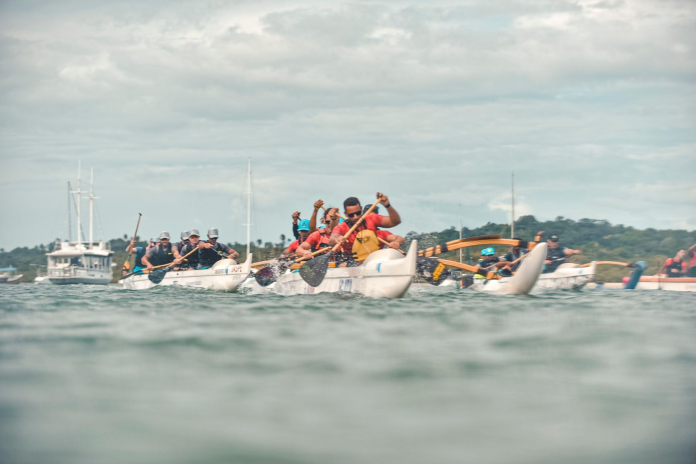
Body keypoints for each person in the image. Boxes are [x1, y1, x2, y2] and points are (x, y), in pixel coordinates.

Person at [329, 193, 401, 262]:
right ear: (346, 214)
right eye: (351, 215)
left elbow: (395, 221)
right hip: (353, 262)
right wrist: (337, 239)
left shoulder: (371, 218)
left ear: (361, 209)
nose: (356, 217)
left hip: (376, 259)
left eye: (358, 213)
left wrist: (387, 205)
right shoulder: (342, 227)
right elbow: (332, 239)